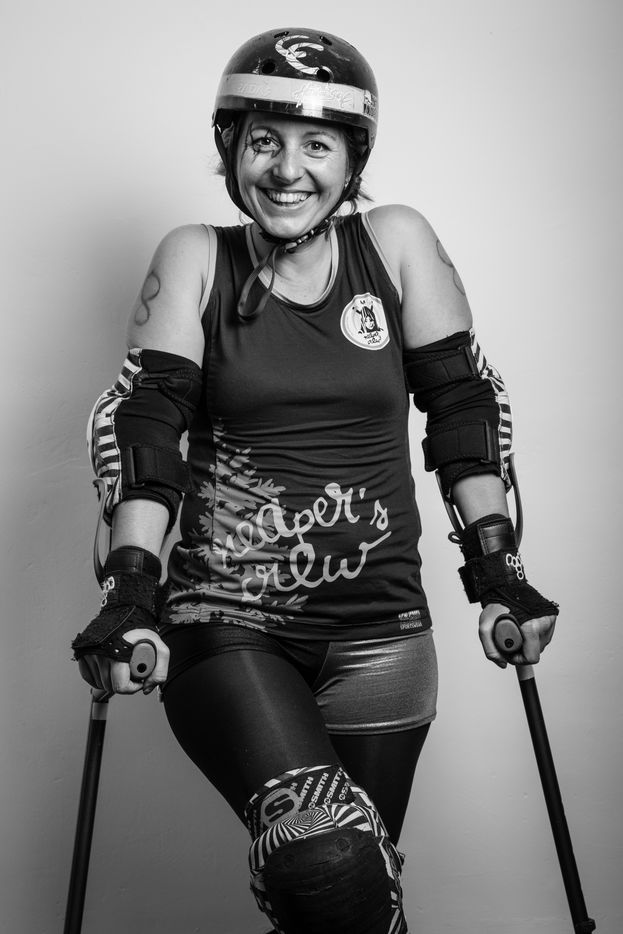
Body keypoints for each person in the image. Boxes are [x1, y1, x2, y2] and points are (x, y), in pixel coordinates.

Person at [72, 27, 559, 934]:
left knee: (350, 902)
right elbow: (149, 426)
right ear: (230, 148)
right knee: (324, 860)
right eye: (264, 139)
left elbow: (461, 411)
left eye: (316, 145)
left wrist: (498, 571)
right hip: (229, 623)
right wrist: (131, 586)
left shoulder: (395, 242)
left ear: (352, 160)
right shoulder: (195, 256)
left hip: (383, 636)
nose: (287, 169)